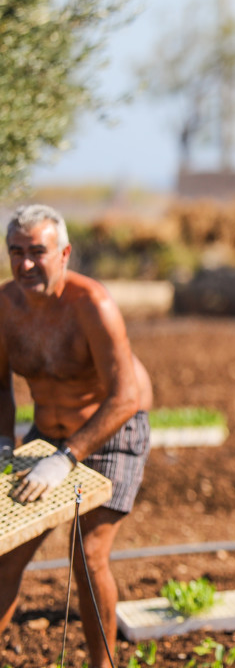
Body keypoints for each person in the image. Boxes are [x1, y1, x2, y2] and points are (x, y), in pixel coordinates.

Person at [0, 204, 152, 668]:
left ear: (63, 253)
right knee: (5, 549)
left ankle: (101, 665)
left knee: (86, 555)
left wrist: (66, 458)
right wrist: (5, 444)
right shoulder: (4, 306)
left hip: (110, 430)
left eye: (37, 252)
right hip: (46, 434)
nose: (25, 264)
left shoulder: (92, 304)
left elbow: (125, 396)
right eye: (15, 252)